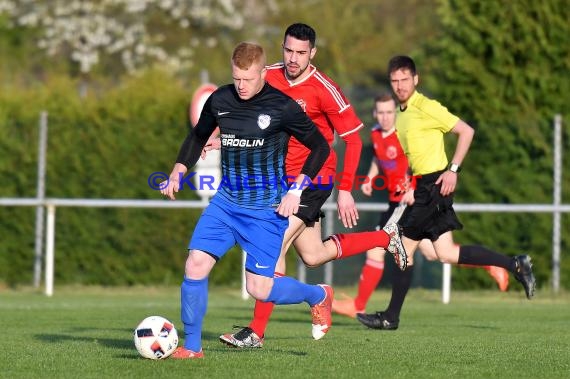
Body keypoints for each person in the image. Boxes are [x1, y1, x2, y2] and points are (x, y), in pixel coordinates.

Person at [214, 23, 407, 348]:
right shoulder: (267, 75)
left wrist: (345, 190)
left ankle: (256, 332)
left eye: (301, 52)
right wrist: (218, 136)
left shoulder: (323, 89)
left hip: (313, 180)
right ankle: (384, 239)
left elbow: (354, 141)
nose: (293, 58)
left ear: (312, 53)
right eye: (288, 50)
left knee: (271, 245)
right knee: (314, 255)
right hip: (276, 182)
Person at [161, 42, 336, 359]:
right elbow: (199, 135)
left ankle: (317, 294)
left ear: (262, 73)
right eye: (237, 78)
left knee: (260, 289)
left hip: (265, 211)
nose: (241, 86)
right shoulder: (221, 99)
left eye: (249, 79)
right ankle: (192, 347)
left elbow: (321, 147)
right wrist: (178, 170)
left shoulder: (282, 106)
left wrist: (296, 190)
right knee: (195, 264)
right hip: (225, 204)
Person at [356, 56, 536, 330]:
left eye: (405, 79)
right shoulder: (401, 115)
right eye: (395, 80)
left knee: (402, 249)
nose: (400, 85)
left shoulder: (427, 107)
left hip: (434, 186)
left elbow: (466, 131)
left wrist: (453, 169)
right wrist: (405, 179)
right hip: (423, 185)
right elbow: (412, 156)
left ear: (416, 80)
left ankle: (390, 317)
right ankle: (516, 264)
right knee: (446, 253)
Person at [332, 94, 509, 319]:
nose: (386, 117)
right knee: (437, 253)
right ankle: (489, 263)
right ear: (375, 114)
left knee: (376, 248)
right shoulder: (376, 133)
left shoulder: (404, 134)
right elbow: (379, 157)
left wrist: (413, 190)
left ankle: (358, 305)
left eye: (390, 112)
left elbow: (420, 164)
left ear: (395, 113)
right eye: (381, 113)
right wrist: (370, 176)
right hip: (396, 202)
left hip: (407, 202)